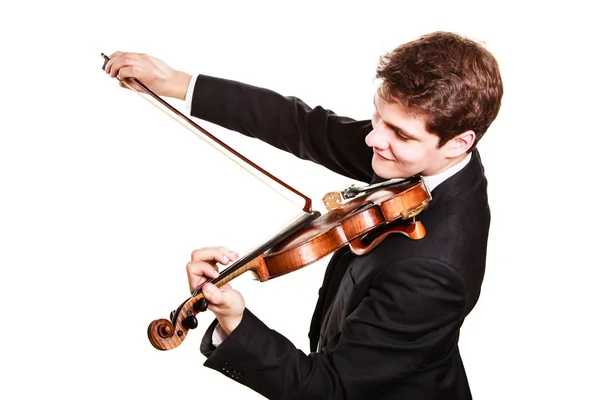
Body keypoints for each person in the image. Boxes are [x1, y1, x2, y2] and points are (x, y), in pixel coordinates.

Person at [104, 31, 503, 399]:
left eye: (400, 133)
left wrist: (236, 322)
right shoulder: (433, 156)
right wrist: (175, 82)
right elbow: (306, 126)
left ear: (458, 142)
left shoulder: (432, 273)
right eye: (378, 115)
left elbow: (329, 391)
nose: (373, 138)